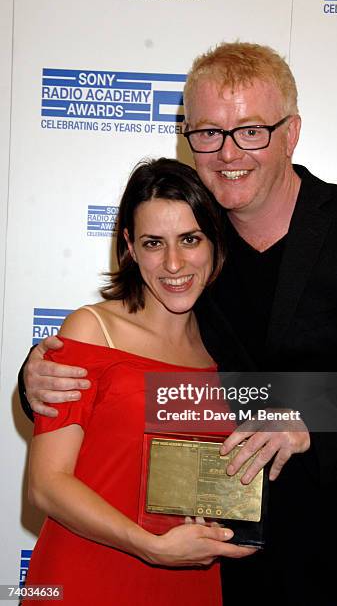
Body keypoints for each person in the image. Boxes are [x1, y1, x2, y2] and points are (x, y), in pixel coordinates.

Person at [20, 43, 337, 605]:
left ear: (291, 133)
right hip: (222, 566)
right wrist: (36, 380)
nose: (227, 152)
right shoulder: (193, 242)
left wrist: (311, 417)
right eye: (208, 133)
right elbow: (134, 368)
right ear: (187, 137)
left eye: (250, 130)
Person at [22, 158, 255, 606]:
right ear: (129, 245)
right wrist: (147, 544)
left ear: (214, 243)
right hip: (86, 578)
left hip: (192, 579)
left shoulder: (226, 350)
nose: (173, 263)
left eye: (190, 239)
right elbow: (47, 483)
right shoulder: (91, 330)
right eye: (153, 243)